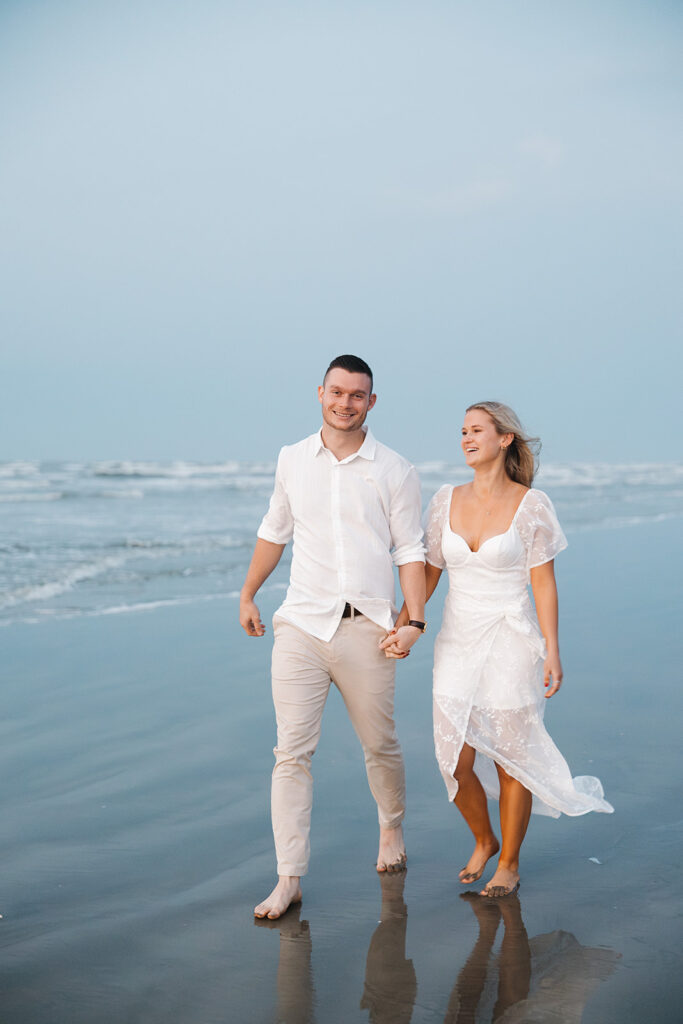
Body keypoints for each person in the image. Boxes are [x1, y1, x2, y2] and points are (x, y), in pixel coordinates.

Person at [240, 354, 426, 919]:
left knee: (380, 745)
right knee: (290, 752)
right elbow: (275, 531)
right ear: (319, 392)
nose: (345, 403)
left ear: (372, 402)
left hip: (367, 628)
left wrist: (413, 620)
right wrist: (248, 593)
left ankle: (390, 827)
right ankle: (288, 877)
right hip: (300, 624)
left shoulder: (395, 469)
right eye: (337, 392)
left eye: (357, 395)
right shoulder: (292, 459)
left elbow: (410, 550)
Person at [403, 401, 613, 898]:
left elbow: (543, 583)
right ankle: (484, 838)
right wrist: (406, 619)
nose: (466, 439)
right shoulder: (444, 500)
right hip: (457, 638)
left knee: (510, 757)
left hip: (512, 639)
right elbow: (430, 571)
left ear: (504, 440)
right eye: (462, 432)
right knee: (453, 757)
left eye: (476, 430)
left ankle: (510, 864)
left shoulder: (531, 504)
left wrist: (553, 649)